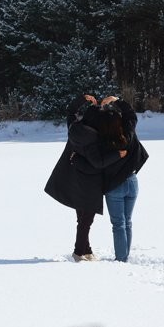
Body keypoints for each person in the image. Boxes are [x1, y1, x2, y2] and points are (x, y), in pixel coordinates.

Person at [44, 95, 128, 262]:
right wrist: (118, 154)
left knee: (82, 218)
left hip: (74, 179)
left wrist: (81, 100)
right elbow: (98, 162)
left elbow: (70, 113)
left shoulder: (74, 128)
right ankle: (78, 251)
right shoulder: (95, 139)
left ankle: (86, 249)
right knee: (86, 220)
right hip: (89, 183)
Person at [89, 96, 149, 262]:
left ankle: (121, 258)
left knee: (118, 224)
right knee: (127, 221)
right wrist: (116, 100)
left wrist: (97, 107)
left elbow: (91, 121)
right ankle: (124, 256)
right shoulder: (128, 134)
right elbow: (131, 115)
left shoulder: (102, 140)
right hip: (132, 182)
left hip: (114, 185)